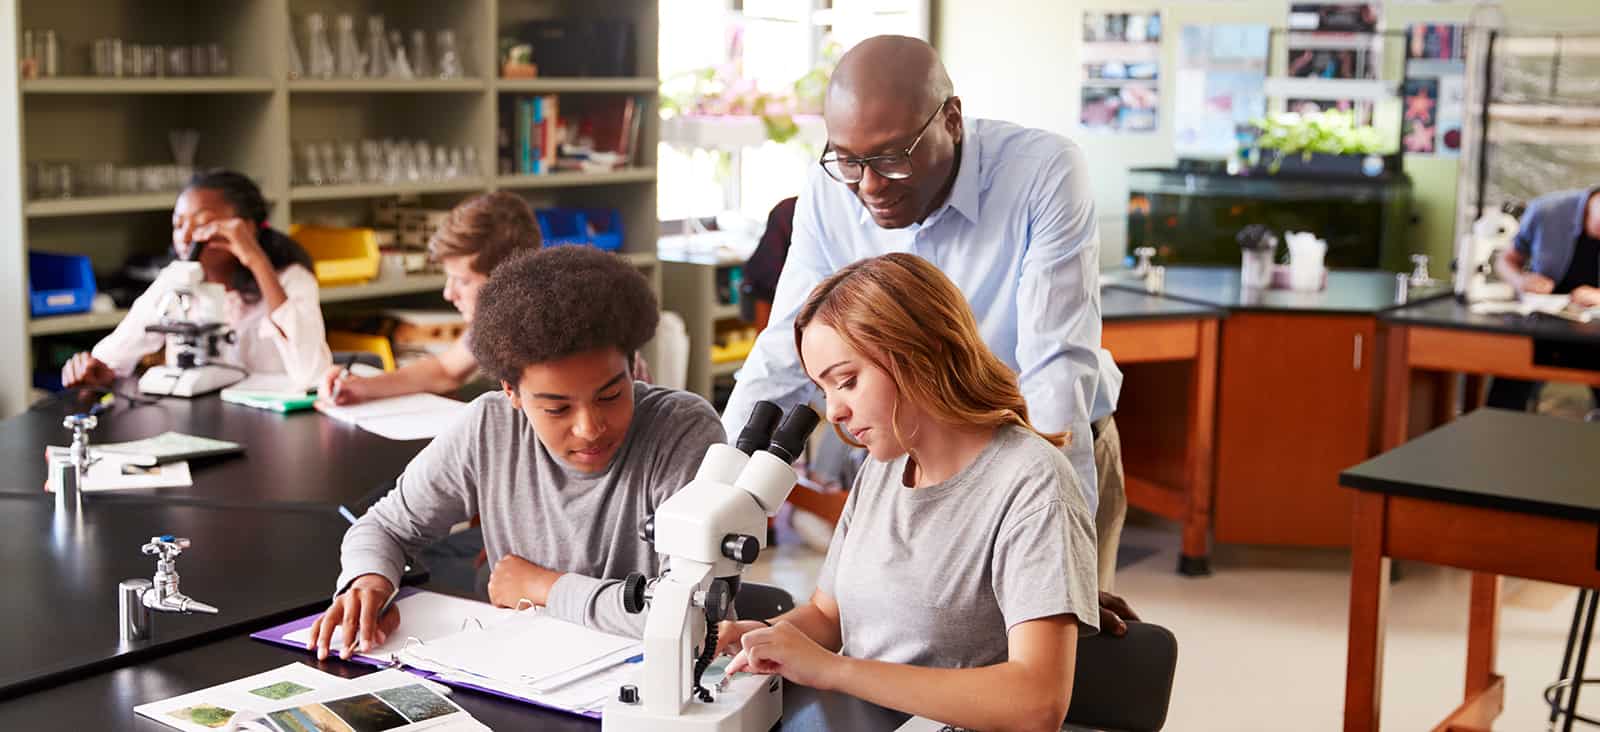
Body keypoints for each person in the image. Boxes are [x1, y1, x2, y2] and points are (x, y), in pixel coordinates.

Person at [720, 35, 1130, 594]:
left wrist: (1066, 547)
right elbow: (781, 356)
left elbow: (1054, 371)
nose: (867, 185)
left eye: (892, 158)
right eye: (848, 160)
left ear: (952, 120)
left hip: (1041, 446)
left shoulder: (1043, 171)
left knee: (1054, 661)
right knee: (916, 645)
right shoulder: (831, 188)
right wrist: (718, 488)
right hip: (912, 453)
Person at [720, 254, 1098, 731]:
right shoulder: (885, 464)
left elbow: (1037, 702)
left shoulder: (1032, 483)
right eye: (824, 390)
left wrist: (834, 670)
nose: (833, 411)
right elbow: (827, 614)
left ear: (919, 353)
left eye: (848, 381)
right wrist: (765, 640)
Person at [307, 246, 724, 659]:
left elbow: (692, 616)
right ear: (512, 392)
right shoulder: (489, 426)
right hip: (522, 674)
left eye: (612, 394)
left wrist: (545, 587)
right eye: (557, 408)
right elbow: (386, 526)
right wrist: (368, 581)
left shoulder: (682, 432)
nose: (589, 427)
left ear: (633, 367)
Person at [60, 170, 331, 390]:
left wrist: (257, 261)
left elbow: (312, 373)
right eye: (178, 225)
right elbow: (117, 354)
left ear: (247, 228)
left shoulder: (292, 279)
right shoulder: (176, 281)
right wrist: (96, 369)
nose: (186, 237)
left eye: (202, 224)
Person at [317, 192, 540, 405]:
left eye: (462, 281)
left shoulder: (544, 333)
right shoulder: (495, 322)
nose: (448, 293)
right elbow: (446, 369)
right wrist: (361, 386)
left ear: (506, 280)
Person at [1489, 186, 1600, 411]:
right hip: (1540, 324)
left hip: (1595, 333)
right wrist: (1522, 281)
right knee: (1506, 395)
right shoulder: (1547, 211)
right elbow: (1506, 261)